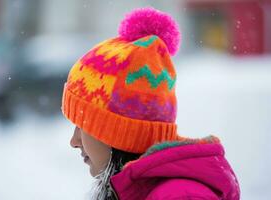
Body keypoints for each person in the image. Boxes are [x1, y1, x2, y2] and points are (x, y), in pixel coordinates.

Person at [61, 7, 240, 200]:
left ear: (119, 133)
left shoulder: (179, 197)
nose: (74, 141)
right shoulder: (149, 191)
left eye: (82, 125)